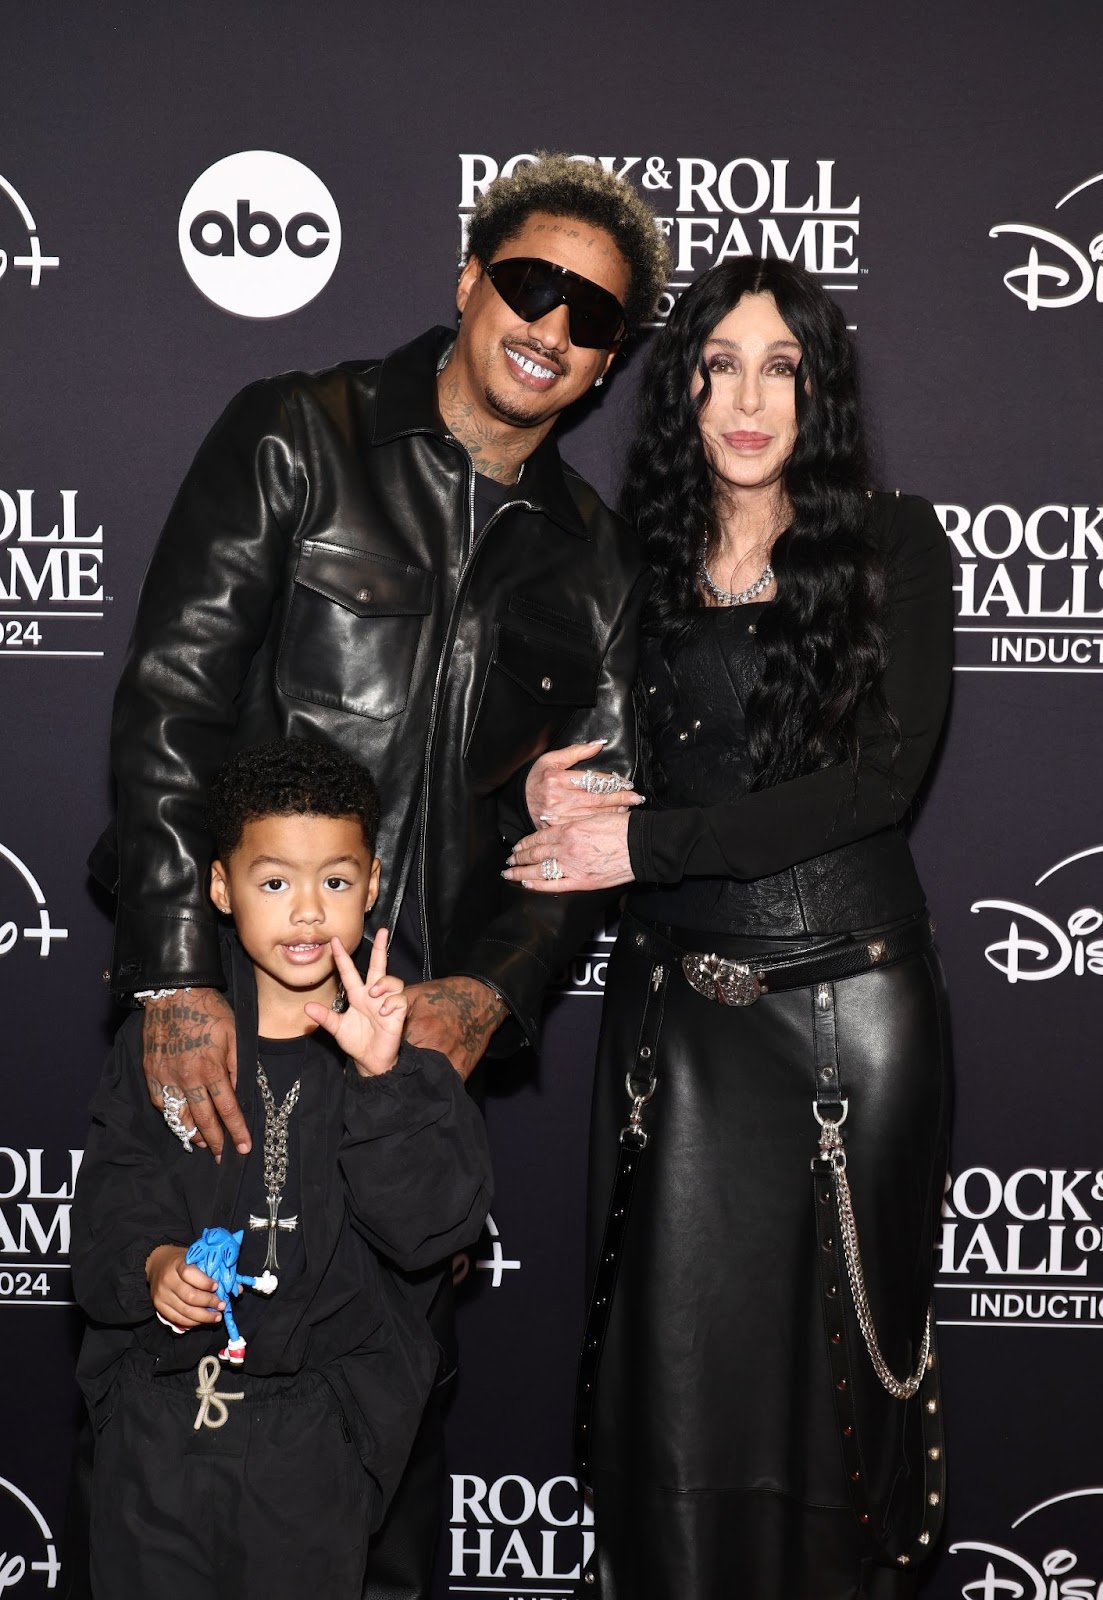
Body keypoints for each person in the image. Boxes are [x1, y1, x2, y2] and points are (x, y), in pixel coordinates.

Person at [87, 153, 668, 1596]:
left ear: (603, 368)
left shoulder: (594, 566)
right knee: (174, 1420)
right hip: (230, 1022)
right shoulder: (299, 436)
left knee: (379, 1461)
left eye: (590, 318)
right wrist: (173, 967)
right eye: (528, 284)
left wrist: (490, 992)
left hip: (397, 1064)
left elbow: (580, 841)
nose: (550, 325)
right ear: (468, 281)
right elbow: (172, 712)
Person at [504, 257, 954, 1598]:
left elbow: (875, 785)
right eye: (716, 364)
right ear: (679, 388)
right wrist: (541, 779)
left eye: (779, 365)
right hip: (671, 1032)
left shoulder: (892, 544)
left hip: (846, 1023)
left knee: (831, 1403)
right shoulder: (622, 561)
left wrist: (644, 841)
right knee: (671, 1392)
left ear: (814, 391)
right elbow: (574, 752)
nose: (745, 398)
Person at [72, 738, 493, 1599]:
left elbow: (434, 1231)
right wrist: (151, 1265)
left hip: (319, 1435)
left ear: (372, 885)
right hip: (159, 1420)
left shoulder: (403, 1055)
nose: (307, 911)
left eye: (334, 882)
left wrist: (383, 1081)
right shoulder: (170, 1047)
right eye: (275, 883)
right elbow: (113, 1193)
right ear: (221, 888)